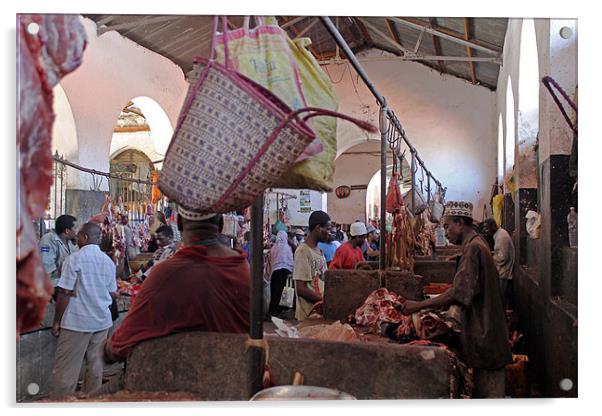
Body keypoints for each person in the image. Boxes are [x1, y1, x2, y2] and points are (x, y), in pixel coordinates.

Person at [103, 207, 250, 363]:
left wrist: (107, 349)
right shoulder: (243, 268)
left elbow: (121, 342)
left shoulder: (168, 273)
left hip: (188, 375)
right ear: (220, 224)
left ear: (179, 224)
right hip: (240, 368)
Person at [401, 201, 512, 398]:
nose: (446, 232)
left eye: (448, 226)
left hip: (486, 337)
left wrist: (417, 306)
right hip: (490, 333)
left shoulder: (473, 248)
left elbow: (458, 293)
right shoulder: (476, 243)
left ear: (461, 223)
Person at [49, 222, 118, 399]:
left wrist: (57, 321)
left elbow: (64, 292)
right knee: (95, 367)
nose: (76, 238)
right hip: (101, 322)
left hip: (76, 323)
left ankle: (61, 405)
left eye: (78, 235)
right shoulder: (108, 261)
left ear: (85, 237)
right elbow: (112, 293)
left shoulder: (74, 259)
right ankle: (92, 402)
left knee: (66, 370)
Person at [292, 211, 331, 321]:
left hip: (319, 314)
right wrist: (323, 302)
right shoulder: (303, 251)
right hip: (308, 315)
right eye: (327, 229)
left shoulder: (318, 250)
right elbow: (300, 288)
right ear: (318, 228)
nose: (329, 233)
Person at [482, 218, 515, 310]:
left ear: (493, 226)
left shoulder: (501, 237)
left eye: (487, 228)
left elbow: (503, 257)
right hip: (501, 271)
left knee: (502, 299)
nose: (486, 231)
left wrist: (489, 258)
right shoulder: (498, 235)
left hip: (504, 272)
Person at [39, 214, 78, 288]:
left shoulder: (70, 242)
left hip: (64, 281)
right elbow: (46, 269)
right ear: (67, 231)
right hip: (52, 283)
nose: (77, 230)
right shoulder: (48, 240)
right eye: (75, 228)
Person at [268, 230, 295, 317]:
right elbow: (290, 260)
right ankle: (281, 311)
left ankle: (273, 312)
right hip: (286, 273)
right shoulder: (288, 248)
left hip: (275, 272)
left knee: (274, 292)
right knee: (283, 293)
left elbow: (270, 260)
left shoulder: (273, 248)